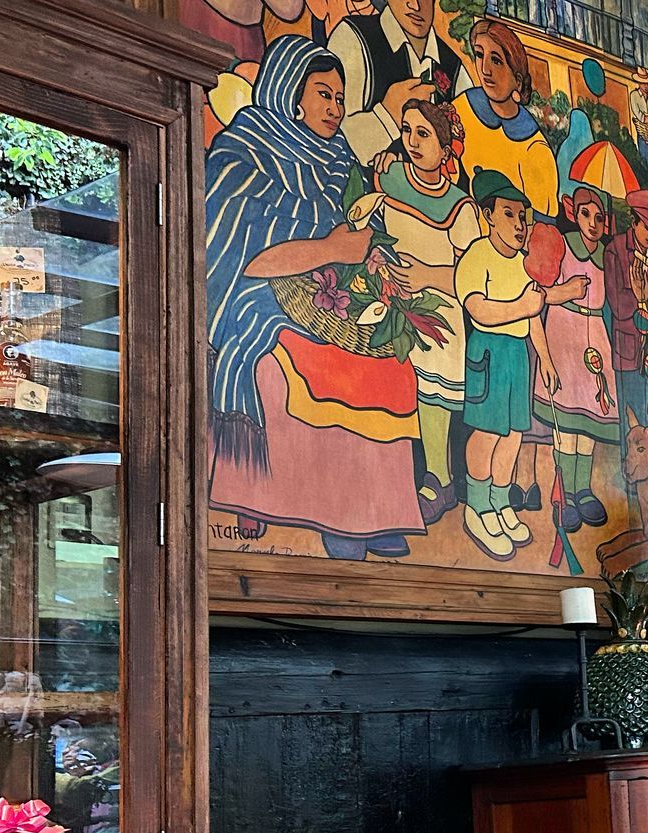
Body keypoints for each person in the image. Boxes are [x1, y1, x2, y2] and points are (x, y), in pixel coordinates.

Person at [204, 35, 423, 560]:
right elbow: (240, 256)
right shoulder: (245, 148)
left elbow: (353, 232)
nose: (335, 107)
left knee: (389, 358)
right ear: (290, 93)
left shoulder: (338, 159)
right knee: (316, 363)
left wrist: (373, 266)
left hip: (326, 293)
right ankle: (332, 515)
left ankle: (377, 510)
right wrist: (328, 249)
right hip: (257, 294)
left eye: (340, 97)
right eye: (323, 94)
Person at [456, 170, 583, 561]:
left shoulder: (523, 264)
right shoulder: (478, 255)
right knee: (487, 433)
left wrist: (545, 359)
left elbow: (532, 318)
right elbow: (476, 307)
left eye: (523, 216)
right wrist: (523, 307)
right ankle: (477, 506)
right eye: (509, 215)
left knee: (512, 435)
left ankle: (499, 501)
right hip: (489, 351)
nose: (519, 224)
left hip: (517, 355)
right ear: (489, 216)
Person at [375, 97, 480, 523]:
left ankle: (438, 477)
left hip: (441, 308)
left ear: (445, 147)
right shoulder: (391, 176)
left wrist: (428, 276)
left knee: (433, 379)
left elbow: (472, 272)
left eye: (425, 134)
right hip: (391, 297)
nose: (413, 142)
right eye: (407, 131)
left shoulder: (461, 206)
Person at [328, 0, 469, 166]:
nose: (416, 5)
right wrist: (388, 115)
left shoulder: (453, 67)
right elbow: (332, 139)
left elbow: (470, 146)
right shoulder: (353, 39)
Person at [537, 184, 618, 535]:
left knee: (587, 426)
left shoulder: (606, 257)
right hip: (563, 328)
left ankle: (582, 488)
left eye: (599, 217)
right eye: (586, 214)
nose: (593, 223)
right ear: (572, 212)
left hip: (595, 336)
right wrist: (566, 292)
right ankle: (565, 494)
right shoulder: (562, 247)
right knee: (565, 426)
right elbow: (539, 294)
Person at [454, 18, 557, 221]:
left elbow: (542, 228)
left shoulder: (534, 149)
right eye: (479, 55)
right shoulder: (462, 107)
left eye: (496, 60)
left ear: (517, 80)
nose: (485, 70)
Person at [603, 189, 648, 431]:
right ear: (634, 222)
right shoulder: (615, 250)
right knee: (629, 421)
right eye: (647, 228)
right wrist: (639, 297)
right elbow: (617, 304)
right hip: (627, 352)